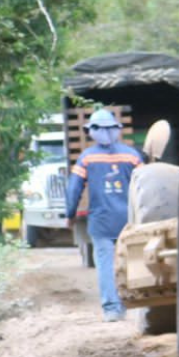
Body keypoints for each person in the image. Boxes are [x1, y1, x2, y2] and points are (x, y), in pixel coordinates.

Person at [66, 108, 142, 321]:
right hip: (129, 220)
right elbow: (144, 185)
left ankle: (112, 309)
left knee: (106, 264)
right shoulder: (132, 155)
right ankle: (135, 306)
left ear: (92, 131)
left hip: (101, 221)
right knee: (132, 262)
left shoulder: (87, 158)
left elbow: (74, 189)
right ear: (116, 129)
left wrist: (70, 214)